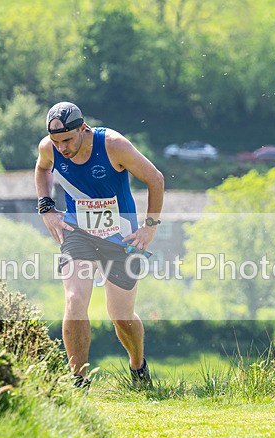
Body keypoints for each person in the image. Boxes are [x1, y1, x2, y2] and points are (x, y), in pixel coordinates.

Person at [34, 102, 164, 388]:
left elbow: (155, 179)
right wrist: (46, 207)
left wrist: (149, 227)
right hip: (78, 233)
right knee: (74, 300)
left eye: (67, 140)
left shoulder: (114, 145)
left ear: (83, 128)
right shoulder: (50, 147)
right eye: (57, 142)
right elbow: (43, 169)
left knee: (121, 317)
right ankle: (78, 381)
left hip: (122, 238)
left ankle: (138, 366)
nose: (62, 148)